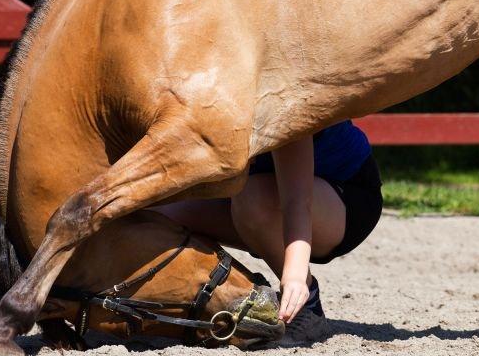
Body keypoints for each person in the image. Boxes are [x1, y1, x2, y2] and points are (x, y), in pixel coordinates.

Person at [153, 119, 382, 342]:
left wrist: (294, 277)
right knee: (159, 214)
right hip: (258, 194)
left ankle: (307, 306)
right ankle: (217, 295)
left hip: (344, 199)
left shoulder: (284, 106)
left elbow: (296, 202)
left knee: (253, 201)